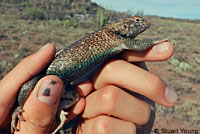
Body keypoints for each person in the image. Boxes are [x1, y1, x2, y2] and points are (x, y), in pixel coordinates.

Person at [0, 42, 177, 134]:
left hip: (68, 84)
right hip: (49, 75)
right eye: (137, 21)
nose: (142, 24)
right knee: (29, 87)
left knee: (77, 98)